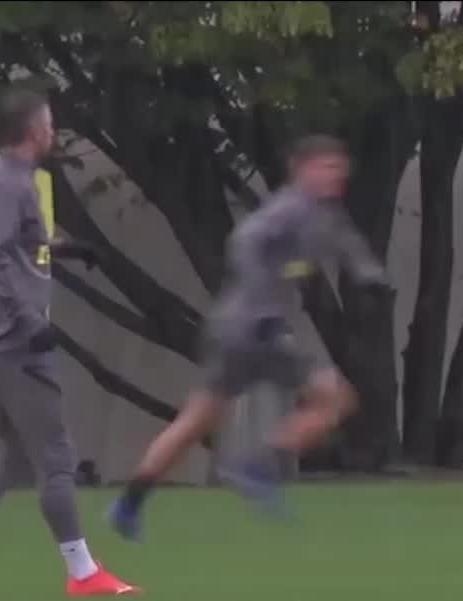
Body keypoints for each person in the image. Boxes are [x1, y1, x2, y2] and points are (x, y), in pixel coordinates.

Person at [108, 135, 392, 539]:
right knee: (336, 398)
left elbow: (348, 244)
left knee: (194, 423)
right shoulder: (289, 208)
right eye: (327, 166)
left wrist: (370, 275)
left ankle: (129, 503)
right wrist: (262, 294)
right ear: (301, 169)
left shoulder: (324, 214)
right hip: (254, 328)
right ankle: (257, 465)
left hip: (235, 329)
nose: (337, 174)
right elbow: (244, 241)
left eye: (339, 167)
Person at [0, 87, 136, 597]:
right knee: (55, 455)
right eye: (49, 124)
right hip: (10, 342)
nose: (53, 132)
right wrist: (27, 319)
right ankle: (83, 572)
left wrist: (65, 249)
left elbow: (11, 246)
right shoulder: (10, 185)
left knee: (17, 452)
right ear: (34, 130)